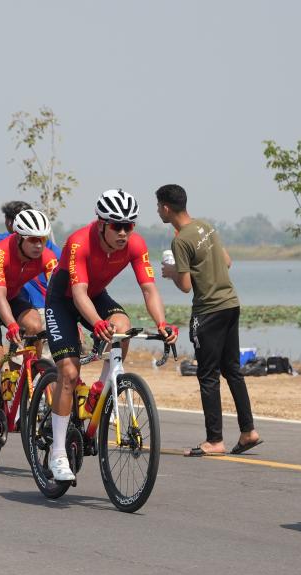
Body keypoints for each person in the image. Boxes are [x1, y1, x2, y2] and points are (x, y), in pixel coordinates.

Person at [44, 189, 177, 481]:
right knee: (69, 372)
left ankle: (102, 390)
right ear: (102, 224)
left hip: (95, 295)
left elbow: (149, 289)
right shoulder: (80, 241)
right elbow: (78, 293)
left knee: (122, 327)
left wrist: (162, 323)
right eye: (117, 226)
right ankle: (58, 453)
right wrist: (95, 322)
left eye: (129, 226)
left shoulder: (135, 244)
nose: (124, 233)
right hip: (64, 300)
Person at [156, 184, 261, 456]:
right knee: (232, 370)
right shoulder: (205, 226)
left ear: (166, 208)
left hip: (208, 311)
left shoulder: (180, 240)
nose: (158, 211)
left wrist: (171, 272)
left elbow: (185, 286)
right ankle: (248, 431)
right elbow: (227, 262)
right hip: (231, 304)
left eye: (158, 207)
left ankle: (215, 440)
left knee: (207, 375)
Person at [0, 209, 57, 447]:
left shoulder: (47, 257)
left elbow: (60, 292)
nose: (39, 245)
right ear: (18, 238)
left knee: (35, 326)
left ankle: (29, 385)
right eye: (33, 240)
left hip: (14, 298)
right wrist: (11, 324)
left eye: (42, 239)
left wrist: (70, 321)